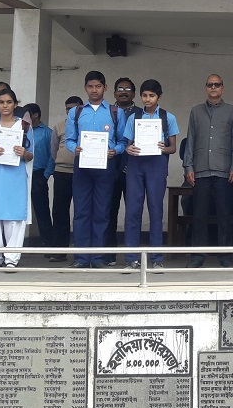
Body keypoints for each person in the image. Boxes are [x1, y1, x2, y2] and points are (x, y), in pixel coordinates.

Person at [65, 71, 126, 268]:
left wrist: (115, 151)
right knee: (81, 212)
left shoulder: (116, 112)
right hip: (82, 165)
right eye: (90, 86)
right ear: (85, 88)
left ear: (105, 88)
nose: (94, 90)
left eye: (98, 86)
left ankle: (98, 257)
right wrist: (74, 148)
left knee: (102, 212)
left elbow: (123, 141)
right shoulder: (76, 112)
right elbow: (69, 139)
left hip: (105, 165)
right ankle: (81, 258)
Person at [182, 74, 233, 268]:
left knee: (224, 214)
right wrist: (188, 166)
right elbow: (190, 139)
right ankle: (198, 256)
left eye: (217, 85)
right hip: (200, 169)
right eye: (210, 85)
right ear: (206, 88)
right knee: (199, 215)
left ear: (222, 88)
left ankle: (226, 256)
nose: (213, 87)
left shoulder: (232, 111)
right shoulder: (196, 111)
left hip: (224, 169)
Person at [122, 79, 179, 272]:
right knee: (133, 210)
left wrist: (164, 148)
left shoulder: (168, 117)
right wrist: (129, 149)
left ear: (159, 97)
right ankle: (131, 257)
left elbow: (173, 148)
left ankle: (156, 257)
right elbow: (128, 144)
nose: (148, 99)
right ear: (140, 96)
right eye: (145, 95)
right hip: (136, 165)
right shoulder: (134, 117)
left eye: (152, 96)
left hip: (157, 165)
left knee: (156, 210)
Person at [0, 89, 34, 269]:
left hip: (16, 177)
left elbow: (31, 155)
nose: (5, 106)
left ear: (15, 104)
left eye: (9, 102)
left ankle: (11, 259)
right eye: (1, 102)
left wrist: (24, 153)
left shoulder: (24, 126)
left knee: (14, 218)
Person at [105, 77, 139, 265]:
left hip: (134, 170)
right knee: (109, 211)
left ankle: (132, 256)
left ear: (133, 94)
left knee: (133, 213)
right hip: (110, 169)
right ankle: (109, 254)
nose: (123, 92)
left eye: (127, 89)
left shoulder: (141, 114)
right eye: (120, 88)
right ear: (114, 93)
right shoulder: (108, 112)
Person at [49, 96, 82, 262]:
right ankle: (59, 251)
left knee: (81, 212)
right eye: (68, 109)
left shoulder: (86, 124)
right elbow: (53, 150)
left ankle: (81, 252)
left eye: (75, 108)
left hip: (82, 173)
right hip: (62, 172)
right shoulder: (59, 126)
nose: (71, 111)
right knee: (60, 211)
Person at [25, 103, 55, 253]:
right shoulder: (21, 130)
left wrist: (46, 175)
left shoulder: (48, 133)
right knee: (17, 209)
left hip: (38, 174)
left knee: (42, 211)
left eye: (27, 115)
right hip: (21, 174)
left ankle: (48, 243)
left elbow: (53, 156)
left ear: (35, 115)